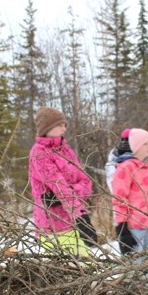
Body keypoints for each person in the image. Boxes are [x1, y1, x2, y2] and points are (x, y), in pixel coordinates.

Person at [28, 106, 98, 255]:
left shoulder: (65, 149)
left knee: (88, 266)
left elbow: (86, 182)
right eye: (59, 124)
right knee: (72, 270)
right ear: (47, 127)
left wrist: (69, 195)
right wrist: (80, 216)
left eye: (64, 124)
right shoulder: (39, 153)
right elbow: (59, 186)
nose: (64, 128)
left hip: (72, 219)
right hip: (53, 226)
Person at [111, 129, 148, 259]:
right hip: (134, 227)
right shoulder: (125, 168)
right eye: (145, 144)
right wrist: (122, 228)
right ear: (136, 145)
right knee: (137, 265)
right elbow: (119, 199)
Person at [105, 128, 137, 254]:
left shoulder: (139, 160)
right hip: (124, 217)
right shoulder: (114, 164)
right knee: (130, 256)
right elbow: (117, 194)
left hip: (142, 218)